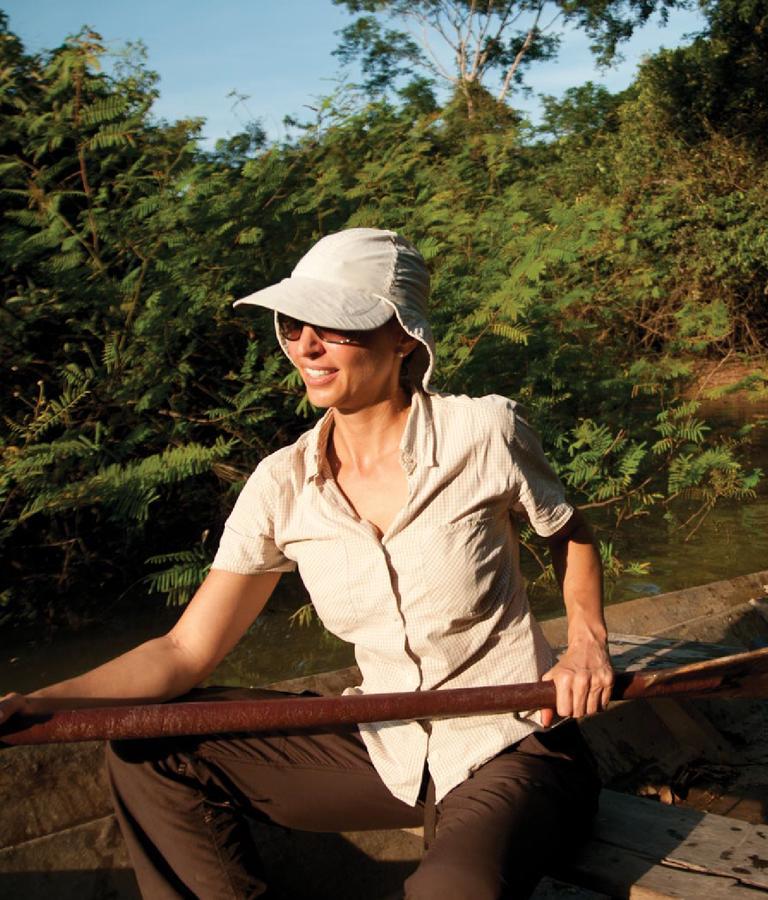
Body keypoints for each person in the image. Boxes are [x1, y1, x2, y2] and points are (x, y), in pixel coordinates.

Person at [0, 228, 613, 898]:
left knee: (449, 891)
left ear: (403, 334)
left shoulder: (483, 432)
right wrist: (35, 704)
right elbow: (182, 649)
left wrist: (585, 644)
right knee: (151, 750)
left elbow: (569, 533)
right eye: (292, 325)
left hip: (515, 741)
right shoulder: (281, 483)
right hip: (386, 745)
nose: (304, 346)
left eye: (333, 327)